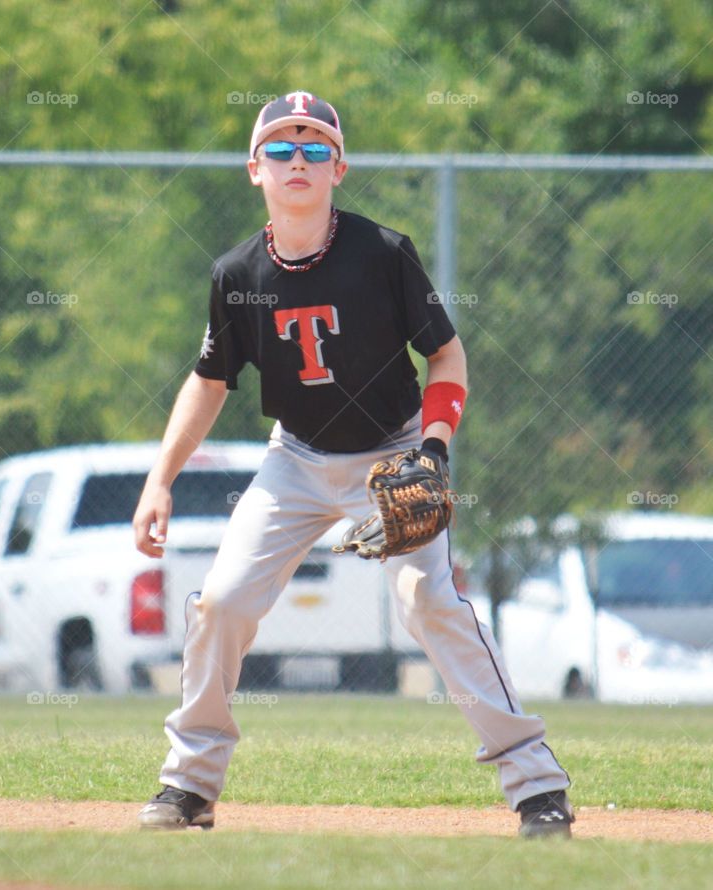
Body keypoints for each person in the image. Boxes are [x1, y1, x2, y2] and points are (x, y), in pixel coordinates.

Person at [132, 91, 574, 839]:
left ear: (339, 168)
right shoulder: (237, 272)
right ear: (254, 170)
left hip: (395, 452)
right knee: (220, 604)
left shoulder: (382, 253)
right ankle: (190, 786)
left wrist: (431, 450)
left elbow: (446, 354)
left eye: (313, 148)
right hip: (296, 461)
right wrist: (159, 479)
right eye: (280, 148)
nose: (295, 160)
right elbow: (209, 381)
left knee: (429, 604)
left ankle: (538, 787)